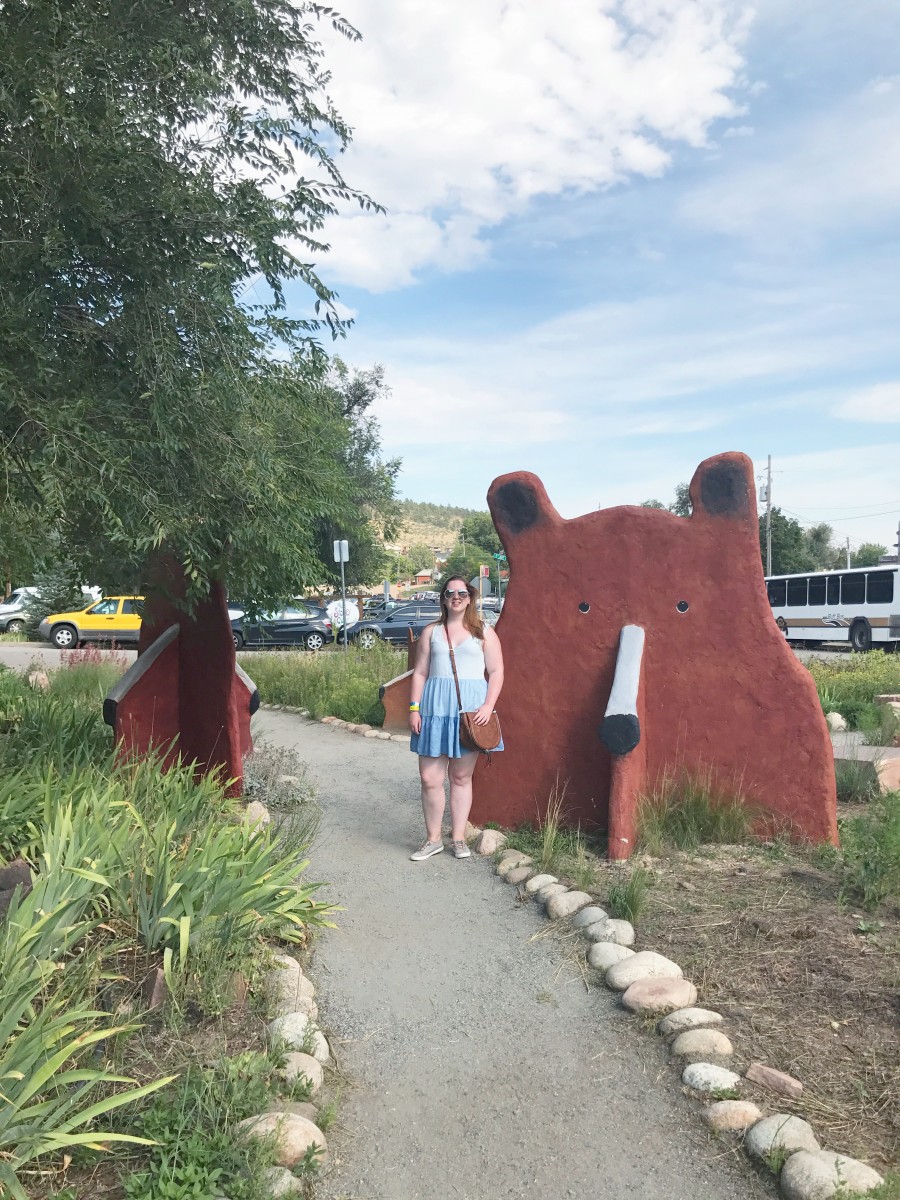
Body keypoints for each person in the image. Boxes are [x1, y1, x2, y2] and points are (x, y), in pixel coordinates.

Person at [408, 576, 504, 861]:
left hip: (470, 713)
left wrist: (488, 706)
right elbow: (420, 673)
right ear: (444, 598)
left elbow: (497, 672)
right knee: (429, 778)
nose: (456, 597)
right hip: (434, 709)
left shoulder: (484, 632)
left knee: (461, 777)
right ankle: (433, 839)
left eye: (462, 592)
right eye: (450, 593)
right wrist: (414, 708)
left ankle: (459, 838)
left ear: (470, 597)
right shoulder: (431, 632)